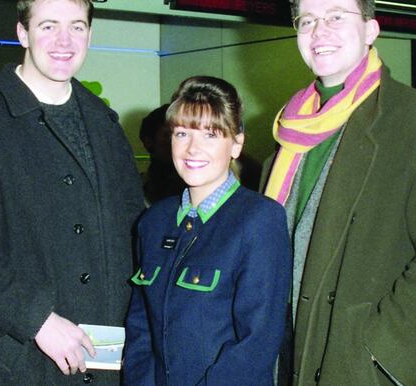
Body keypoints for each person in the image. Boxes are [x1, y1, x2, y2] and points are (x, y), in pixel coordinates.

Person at [262, 0, 416, 385]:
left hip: (357, 369)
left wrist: (376, 352)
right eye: (307, 20)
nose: (318, 31)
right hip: (281, 362)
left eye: (335, 17)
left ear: (370, 30)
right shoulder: (287, 135)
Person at [0, 0, 145, 385]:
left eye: (77, 27)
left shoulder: (104, 123)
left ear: (90, 34)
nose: (64, 41)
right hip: (15, 354)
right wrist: (38, 320)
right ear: (22, 32)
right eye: (48, 26)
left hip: (100, 354)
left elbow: (132, 228)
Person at [124, 76, 291, 385]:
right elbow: (140, 328)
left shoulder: (259, 219)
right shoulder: (154, 221)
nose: (192, 149)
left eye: (211, 135)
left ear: (237, 143)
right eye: (182, 133)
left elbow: (257, 343)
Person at [139, 103, 186, 204]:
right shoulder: (133, 189)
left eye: (182, 134)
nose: (178, 142)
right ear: (148, 142)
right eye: (168, 135)